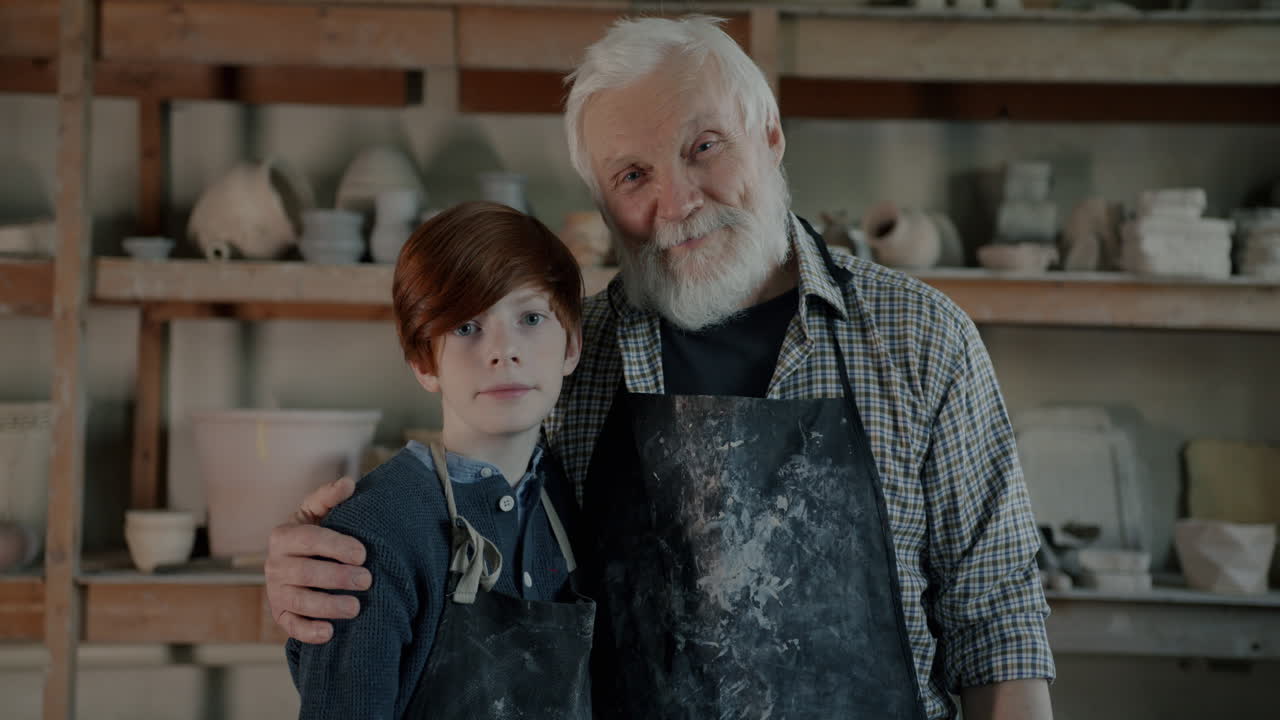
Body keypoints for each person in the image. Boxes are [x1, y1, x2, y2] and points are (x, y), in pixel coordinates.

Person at [267, 16, 1055, 720]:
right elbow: (463, 585)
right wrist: (329, 568)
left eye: (702, 146)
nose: (676, 202)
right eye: (634, 175)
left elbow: (997, 627)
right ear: (603, 201)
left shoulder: (920, 340)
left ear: (770, 135)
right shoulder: (568, 361)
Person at [287, 201, 594, 719]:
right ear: (423, 363)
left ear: (571, 347)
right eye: (467, 328)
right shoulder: (372, 530)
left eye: (531, 318)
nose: (504, 351)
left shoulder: (568, 502)